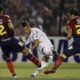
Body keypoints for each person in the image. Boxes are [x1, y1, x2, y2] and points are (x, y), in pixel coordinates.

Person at [0, 5, 41, 78]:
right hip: (11, 40)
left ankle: (14, 75)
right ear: (1, 11)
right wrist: (12, 34)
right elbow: (11, 27)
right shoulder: (5, 17)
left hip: (2, 42)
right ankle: (38, 64)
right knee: (25, 50)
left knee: (8, 57)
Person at [44, 8, 80, 74]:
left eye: (70, 15)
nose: (70, 16)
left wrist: (66, 34)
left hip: (78, 42)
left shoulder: (71, 21)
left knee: (62, 56)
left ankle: (53, 69)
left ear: (72, 15)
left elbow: (69, 36)